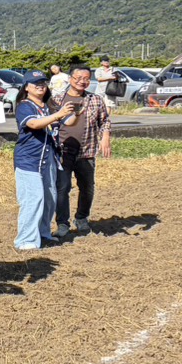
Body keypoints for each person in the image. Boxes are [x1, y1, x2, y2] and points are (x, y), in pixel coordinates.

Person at [13, 72, 73, 251]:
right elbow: (33, 124)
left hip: (48, 159)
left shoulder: (47, 106)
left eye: (42, 83)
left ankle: (43, 234)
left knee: (49, 199)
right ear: (26, 87)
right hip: (28, 160)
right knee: (33, 198)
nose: (40, 86)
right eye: (35, 83)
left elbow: (67, 122)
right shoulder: (25, 106)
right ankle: (25, 240)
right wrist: (59, 114)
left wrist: (75, 111)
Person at [54, 65, 112, 236]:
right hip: (62, 151)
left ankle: (81, 218)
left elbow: (105, 121)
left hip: (86, 150)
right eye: (78, 78)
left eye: (86, 78)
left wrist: (106, 137)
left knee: (87, 187)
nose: (82, 82)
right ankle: (62, 223)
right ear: (70, 78)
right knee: (62, 188)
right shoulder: (57, 99)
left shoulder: (95, 100)